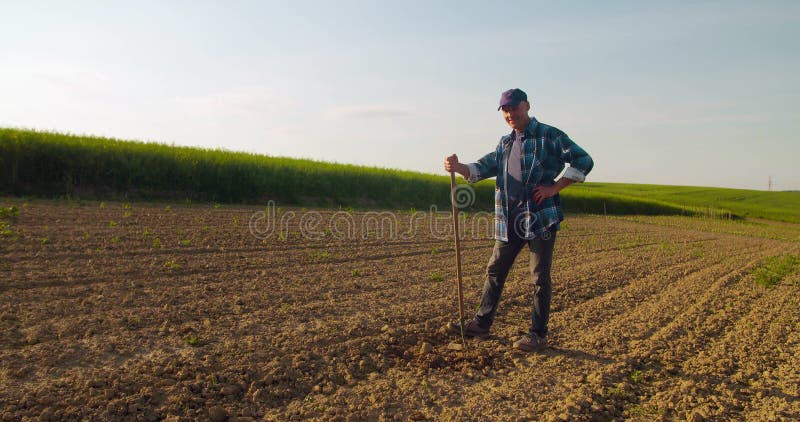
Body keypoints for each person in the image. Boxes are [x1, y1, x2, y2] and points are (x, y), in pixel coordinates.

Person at [444, 88, 593, 352]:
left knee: (538, 278)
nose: (510, 113)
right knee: (495, 270)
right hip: (509, 219)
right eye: (505, 110)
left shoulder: (549, 135)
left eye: (514, 107)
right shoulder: (505, 143)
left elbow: (584, 159)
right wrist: (458, 167)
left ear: (527, 105)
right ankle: (481, 323)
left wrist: (554, 188)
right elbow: (481, 168)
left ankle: (538, 334)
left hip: (539, 219)